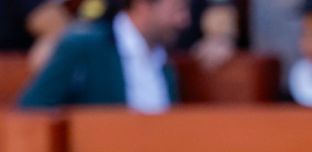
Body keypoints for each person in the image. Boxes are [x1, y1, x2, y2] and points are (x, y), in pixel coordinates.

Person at [18, 0, 188, 110]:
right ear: (143, 5)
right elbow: (31, 112)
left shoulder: (165, 61)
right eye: (177, 9)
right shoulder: (84, 47)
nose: (183, 21)